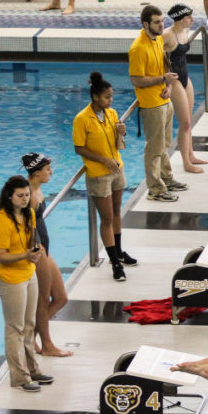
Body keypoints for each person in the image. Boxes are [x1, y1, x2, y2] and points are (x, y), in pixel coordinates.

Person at [0, 176, 54, 392]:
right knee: (15, 328)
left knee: (29, 325)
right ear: (9, 196)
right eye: (20, 196)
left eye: (27, 195)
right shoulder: (0, 221)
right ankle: (19, 377)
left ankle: (34, 369)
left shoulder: (29, 215)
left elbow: (33, 240)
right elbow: (0, 256)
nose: (25, 199)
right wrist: (24, 256)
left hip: (29, 275)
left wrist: (34, 252)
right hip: (12, 281)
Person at [73, 72, 138, 281]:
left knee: (117, 212)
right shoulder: (82, 119)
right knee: (107, 218)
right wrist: (103, 160)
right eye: (107, 97)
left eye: (111, 96)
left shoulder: (111, 114)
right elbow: (79, 148)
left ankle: (118, 251)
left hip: (117, 169)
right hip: (99, 174)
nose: (111, 100)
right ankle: (115, 263)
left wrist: (121, 133)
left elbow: (118, 144)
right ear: (96, 97)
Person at [129, 5, 188, 202]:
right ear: (146, 24)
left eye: (162, 21)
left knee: (164, 145)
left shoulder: (157, 41)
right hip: (151, 104)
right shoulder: (138, 48)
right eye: (157, 22)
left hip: (164, 99)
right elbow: (136, 80)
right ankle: (155, 190)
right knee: (154, 148)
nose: (162, 24)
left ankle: (167, 179)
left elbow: (165, 66)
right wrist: (162, 79)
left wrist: (168, 85)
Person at [22, 153, 71, 357]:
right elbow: (25, 228)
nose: (50, 172)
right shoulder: (29, 196)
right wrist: (35, 251)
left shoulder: (36, 189)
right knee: (42, 301)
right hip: (37, 248)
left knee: (60, 298)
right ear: (35, 172)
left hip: (44, 248)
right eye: (47, 169)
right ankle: (48, 345)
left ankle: (29, 337)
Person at [162, 4, 208, 174]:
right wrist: (165, 81)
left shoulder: (185, 31)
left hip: (185, 77)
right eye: (189, 17)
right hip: (174, 81)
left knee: (189, 119)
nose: (193, 20)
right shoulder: (167, 35)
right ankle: (186, 163)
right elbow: (157, 57)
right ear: (180, 19)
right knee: (185, 122)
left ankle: (191, 154)